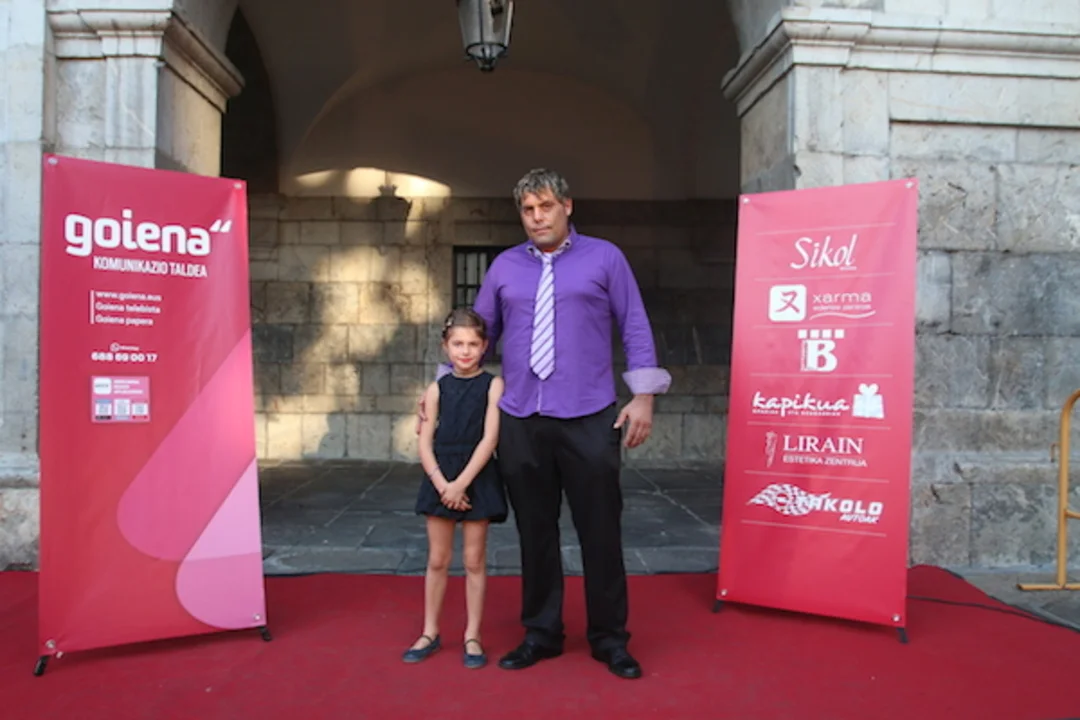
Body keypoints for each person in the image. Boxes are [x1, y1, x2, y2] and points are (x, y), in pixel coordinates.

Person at [420, 168, 671, 680]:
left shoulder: (606, 257)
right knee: (535, 532)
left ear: (567, 206)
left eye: (546, 207)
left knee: (600, 531)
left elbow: (634, 323)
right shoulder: (505, 267)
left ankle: (610, 638)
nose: (537, 218)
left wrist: (644, 395)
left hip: (590, 416)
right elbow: (476, 335)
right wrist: (440, 392)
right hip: (521, 418)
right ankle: (541, 632)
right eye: (528, 210)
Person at [403, 308, 507, 669]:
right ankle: (430, 631)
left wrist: (461, 484)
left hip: (476, 475)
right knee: (437, 559)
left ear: (485, 346)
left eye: (473, 344)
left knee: (474, 561)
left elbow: (490, 438)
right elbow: (424, 441)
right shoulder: (436, 389)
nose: (465, 351)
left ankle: (472, 634)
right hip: (441, 476)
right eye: (458, 344)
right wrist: (442, 484)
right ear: (445, 346)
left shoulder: (493, 385)